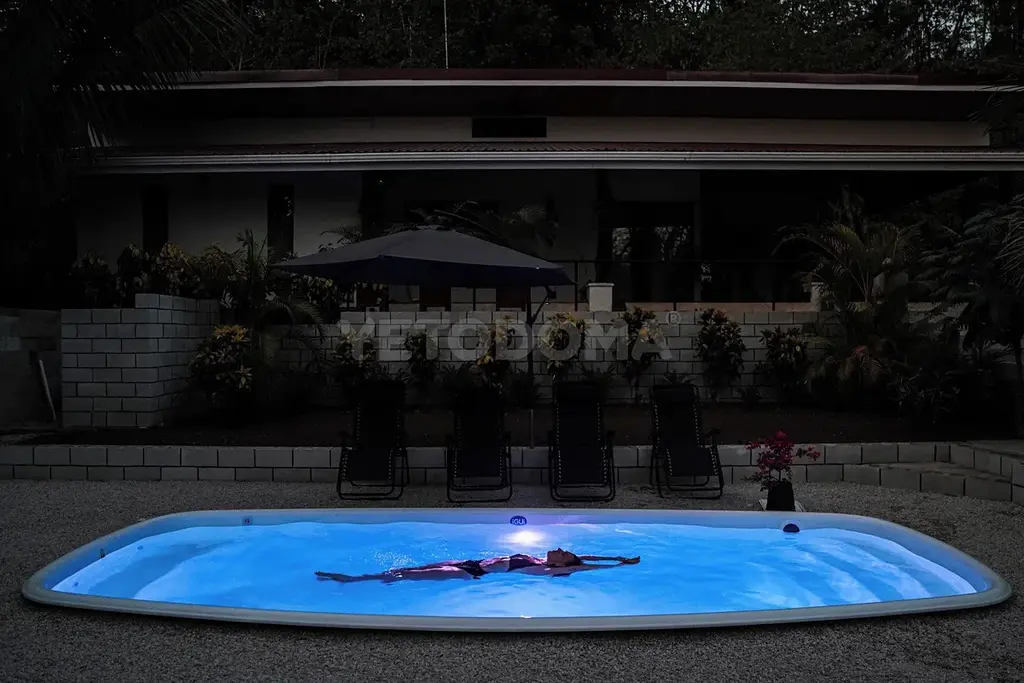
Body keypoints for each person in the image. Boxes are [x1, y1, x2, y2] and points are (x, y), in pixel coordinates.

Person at [315, 548, 640, 584]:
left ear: (563, 563)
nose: (559, 548)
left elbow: (585, 565)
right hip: (469, 561)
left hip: (472, 572)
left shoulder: (549, 570)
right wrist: (617, 557)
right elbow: (587, 557)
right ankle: (374, 578)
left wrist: (617, 567)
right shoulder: (540, 559)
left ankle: (352, 580)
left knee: (407, 574)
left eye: (564, 552)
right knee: (416, 567)